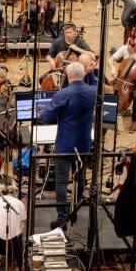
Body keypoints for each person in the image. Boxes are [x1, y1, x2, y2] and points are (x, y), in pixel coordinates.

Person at [39, 61, 95, 228]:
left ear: (69, 76)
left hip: (65, 146)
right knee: (80, 179)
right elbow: (95, 83)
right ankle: (74, 212)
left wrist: (41, 113)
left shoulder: (63, 94)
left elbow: (47, 118)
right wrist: (91, 72)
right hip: (84, 145)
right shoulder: (92, 92)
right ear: (82, 75)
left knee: (61, 182)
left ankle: (62, 218)